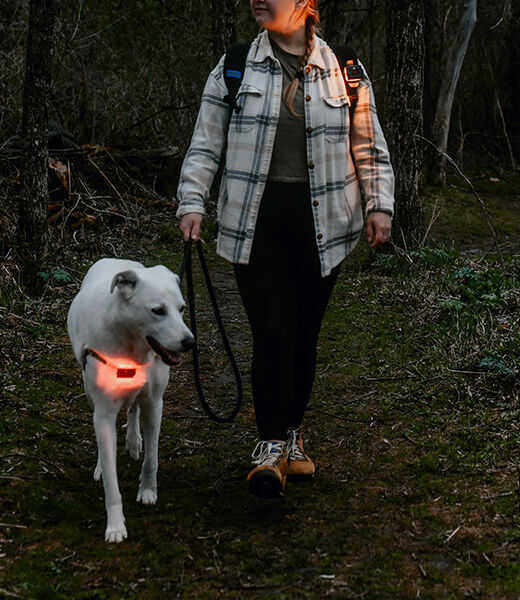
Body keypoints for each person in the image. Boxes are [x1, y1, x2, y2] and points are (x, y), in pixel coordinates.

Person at [176, 0, 394, 498]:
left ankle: (292, 434)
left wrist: (379, 205)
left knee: (304, 335)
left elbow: (369, 146)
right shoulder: (235, 66)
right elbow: (205, 143)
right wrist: (192, 201)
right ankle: (270, 445)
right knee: (272, 331)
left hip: (326, 223)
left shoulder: (344, 69)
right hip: (255, 222)